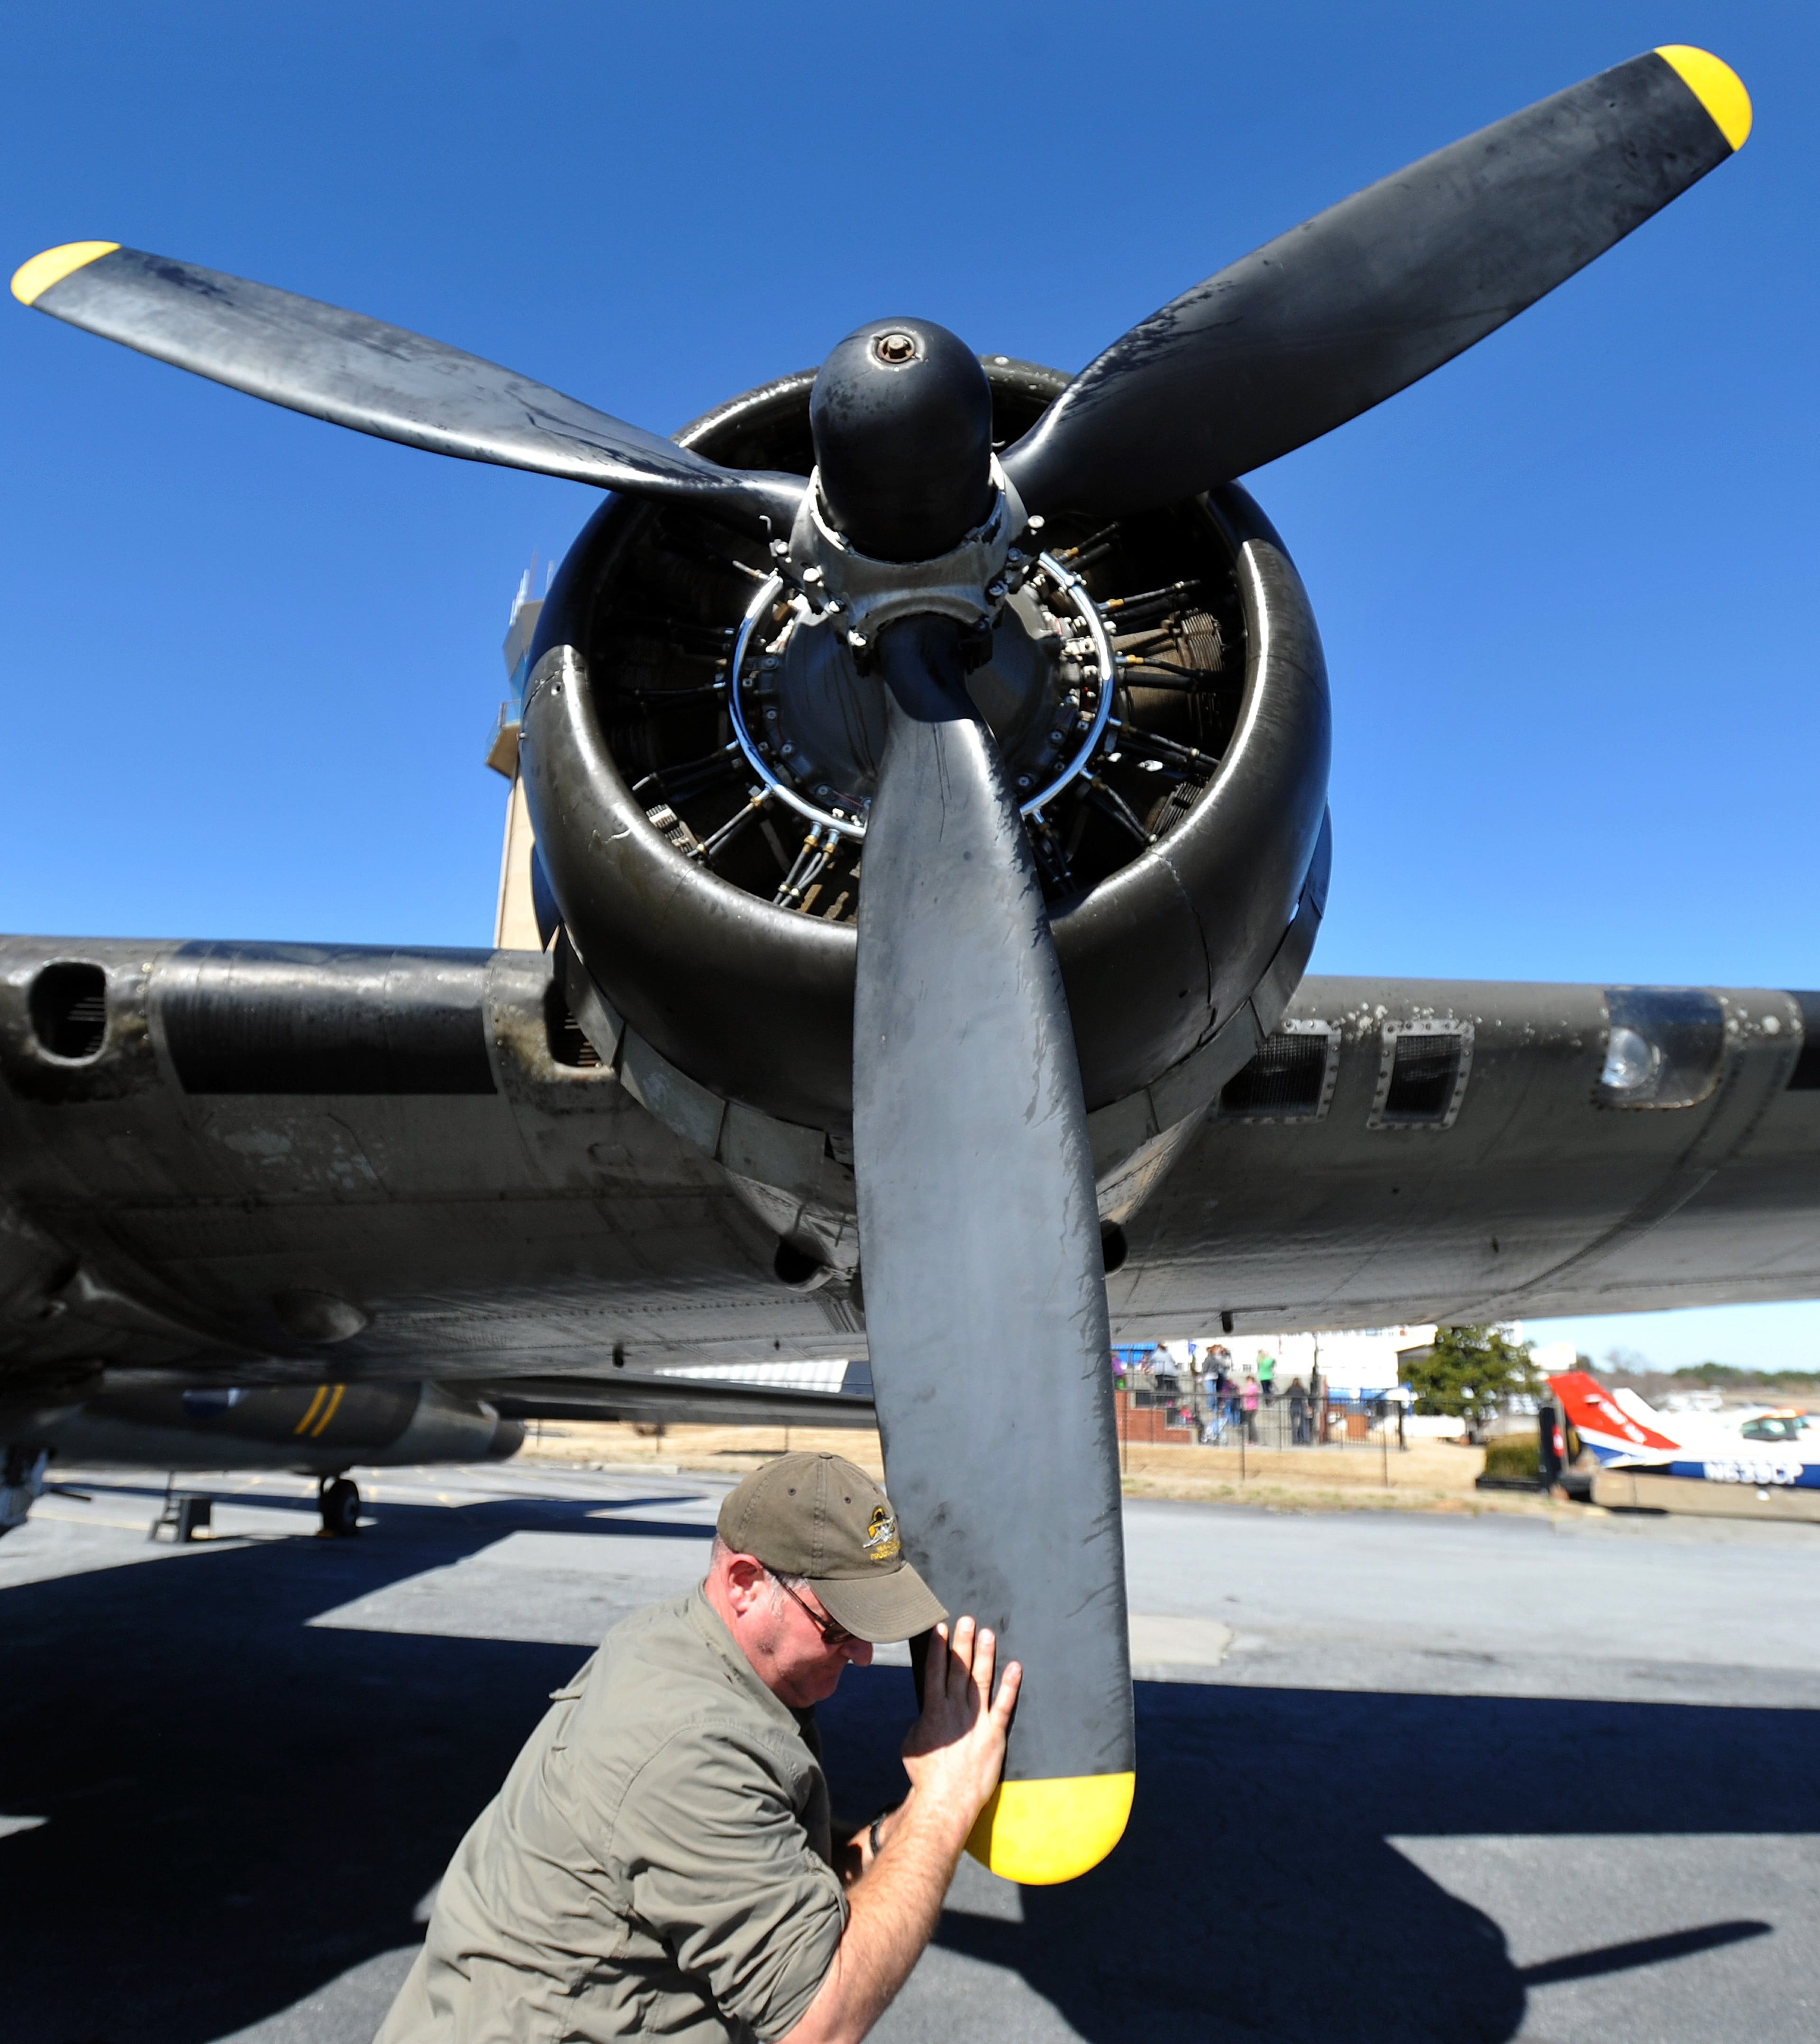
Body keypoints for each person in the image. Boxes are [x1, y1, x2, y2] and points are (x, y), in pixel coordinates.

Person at [375, 1452, 1020, 2044]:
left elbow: (758, 1846)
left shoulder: (689, 1642)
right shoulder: (687, 1743)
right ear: (744, 1582)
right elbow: (821, 2022)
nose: (860, 1653)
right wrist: (942, 1804)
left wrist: (895, 1832)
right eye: (839, 1626)